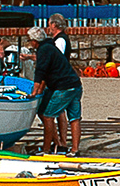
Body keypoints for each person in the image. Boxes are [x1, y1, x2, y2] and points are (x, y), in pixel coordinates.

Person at [30, 14, 83, 153]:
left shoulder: (45, 49)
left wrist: (35, 92)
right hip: (75, 84)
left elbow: (41, 73)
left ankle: (48, 149)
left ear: (34, 41)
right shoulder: (51, 45)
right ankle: (74, 150)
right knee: (75, 118)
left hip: (64, 86)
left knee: (48, 116)